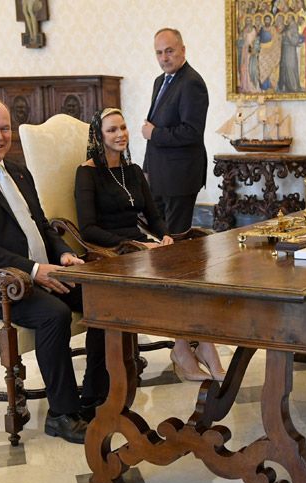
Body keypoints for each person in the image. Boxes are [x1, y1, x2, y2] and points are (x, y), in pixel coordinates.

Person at [0, 95, 107, 444]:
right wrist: (32, 269)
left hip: (38, 274)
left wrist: (63, 255)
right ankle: (62, 414)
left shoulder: (19, 171)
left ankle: (96, 397)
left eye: (5, 127)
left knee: (104, 297)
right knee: (53, 314)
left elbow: (41, 225)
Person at [77, 108, 226, 382]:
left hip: (141, 246)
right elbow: (88, 229)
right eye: (112, 130)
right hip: (111, 250)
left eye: (123, 128)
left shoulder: (132, 170)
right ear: (98, 136)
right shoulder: (87, 174)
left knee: (193, 272)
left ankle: (199, 346)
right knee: (174, 280)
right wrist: (133, 243)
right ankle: (186, 350)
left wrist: (165, 235)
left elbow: (154, 216)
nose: (120, 134)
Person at [142, 28, 209, 235]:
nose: (164, 58)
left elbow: (191, 132)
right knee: (160, 237)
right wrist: (147, 169)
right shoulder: (159, 81)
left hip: (180, 177)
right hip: (158, 175)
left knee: (176, 241)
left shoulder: (191, 82)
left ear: (183, 50)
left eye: (169, 51)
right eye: (159, 52)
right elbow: (153, 126)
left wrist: (154, 134)